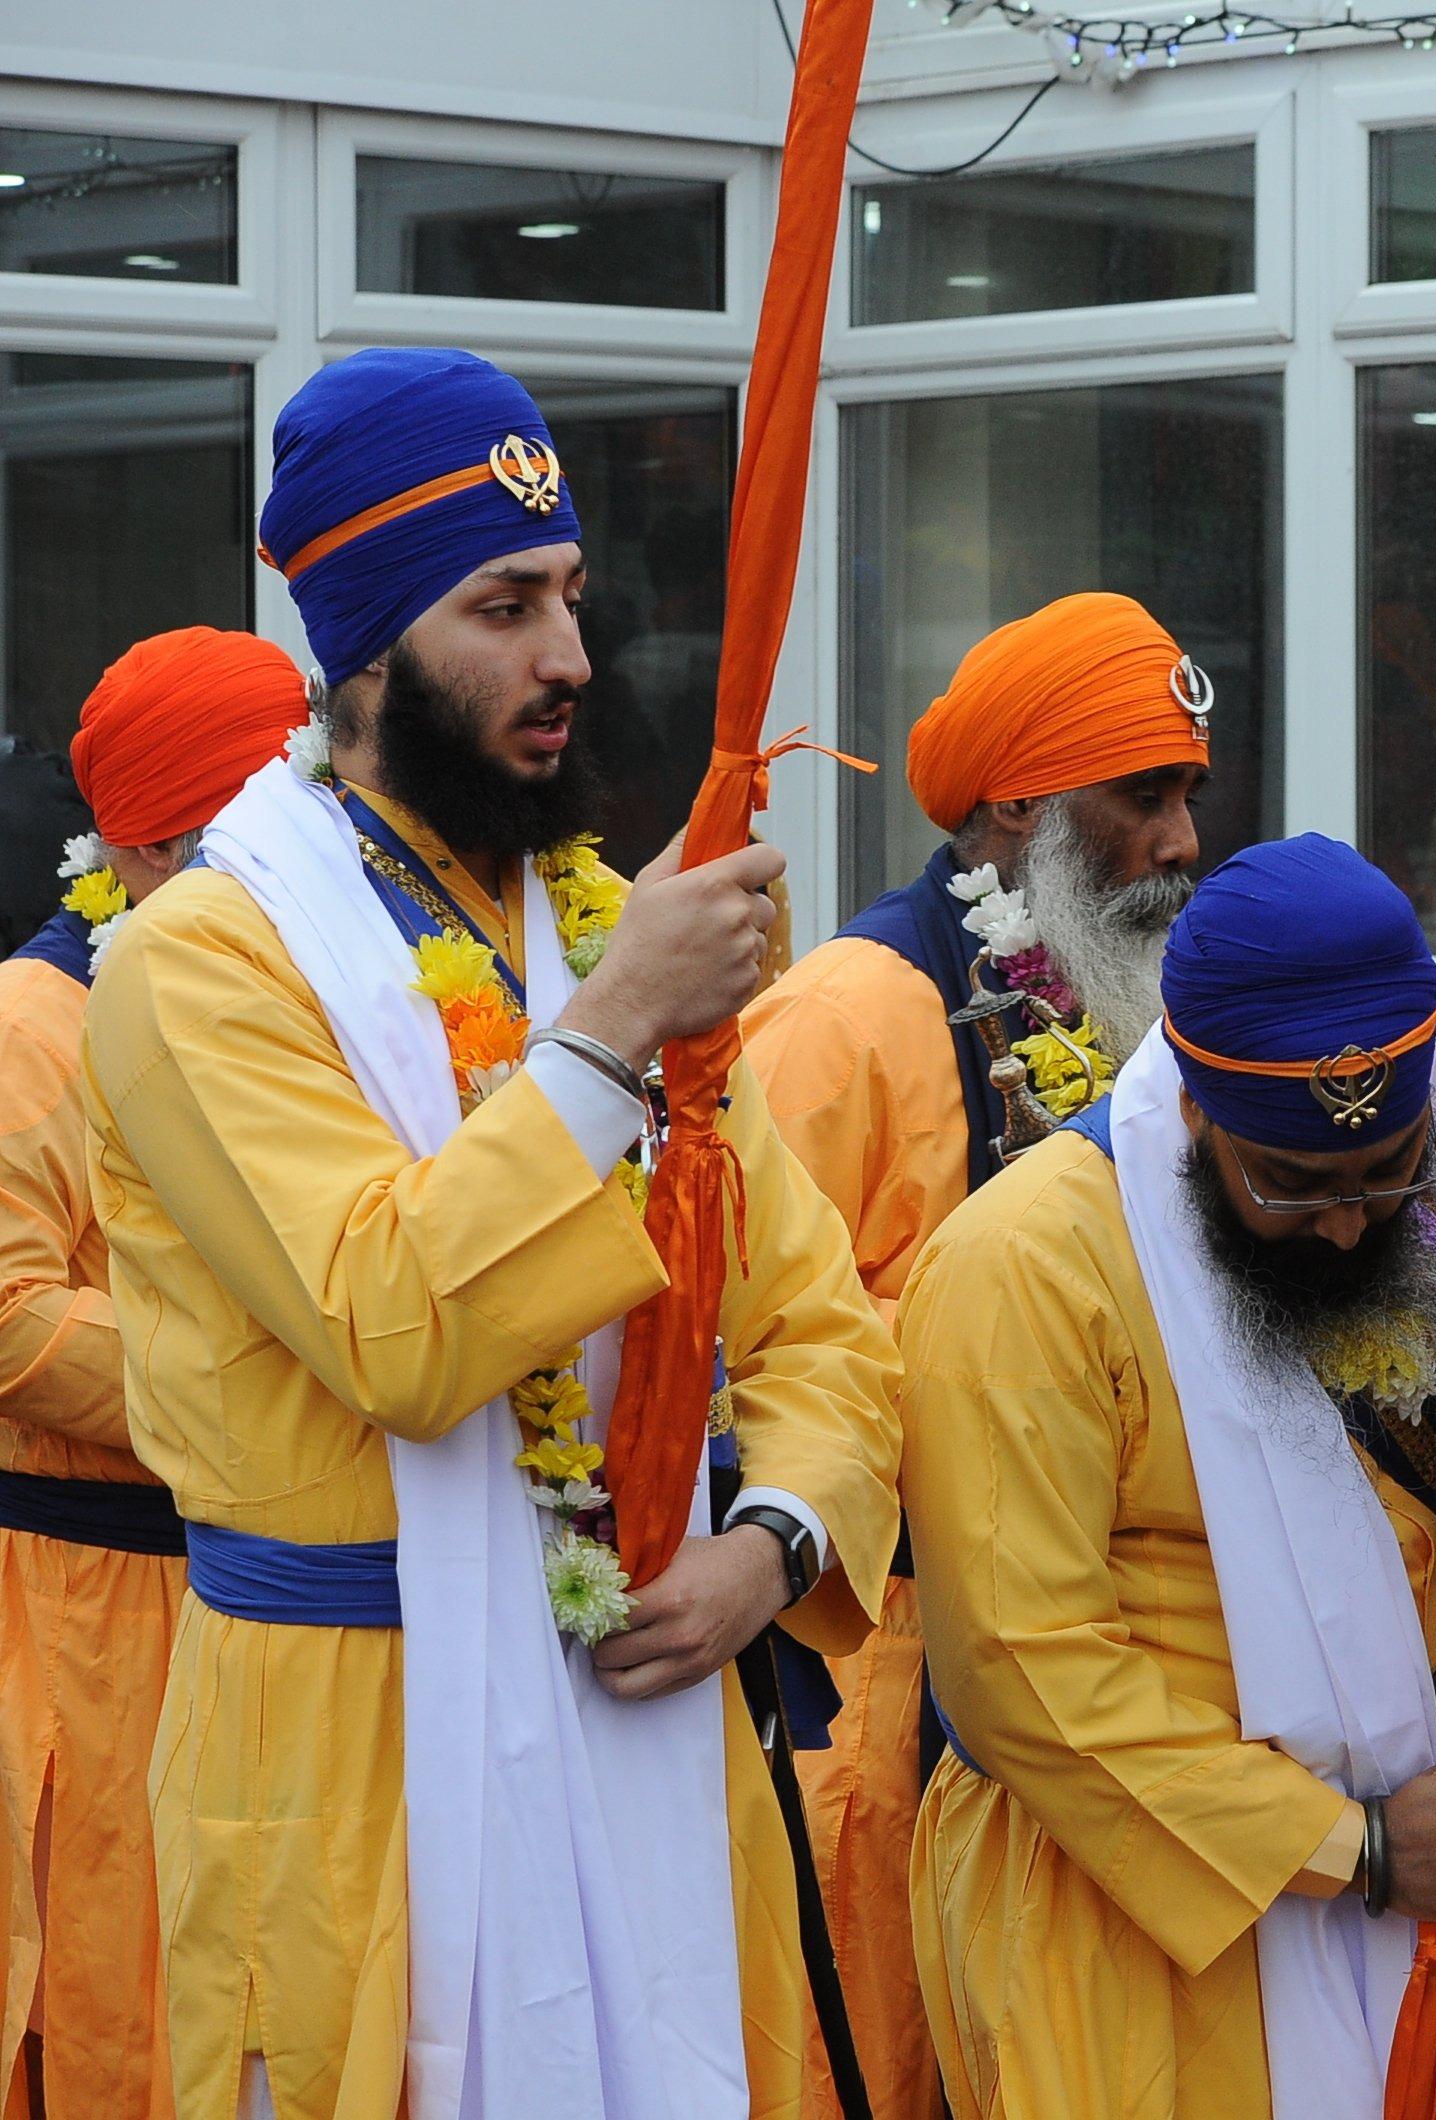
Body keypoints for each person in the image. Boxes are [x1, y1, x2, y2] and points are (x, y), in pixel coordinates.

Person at [83, 346, 904, 2118]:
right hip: (346, 1747)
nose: (572, 661)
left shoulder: (593, 922)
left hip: (653, 1706)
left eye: (576, 598)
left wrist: (765, 1545)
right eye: (505, 604)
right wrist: (608, 1035)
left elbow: (820, 1325)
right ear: (364, 645)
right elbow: (396, 1328)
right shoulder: (197, 963)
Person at [896, 833, 1436, 2118]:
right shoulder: (1026, 1264)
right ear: (1194, 1108)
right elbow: (1020, 1665)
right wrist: (1344, 1847)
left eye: (1381, 1172)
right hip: (1143, 1909)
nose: (1350, 1221)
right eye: (1293, 1185)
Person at [741, 588, 1209, 2117]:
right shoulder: (851, 1009)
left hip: (1095, 1684)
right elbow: (738, 1346)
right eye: (1144, 797)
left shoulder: (1137, 1007)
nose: (1184, 843)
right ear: (1019, 801)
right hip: (881, 1684)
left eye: (1192, 796)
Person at [1, 627, 307, 2118]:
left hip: (259, 1593)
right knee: (115, 2008)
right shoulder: (32, 1024)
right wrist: (253, 1382)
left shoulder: (284, 1010)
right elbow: (8, 1319)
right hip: (85, 1616)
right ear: (147, 853)